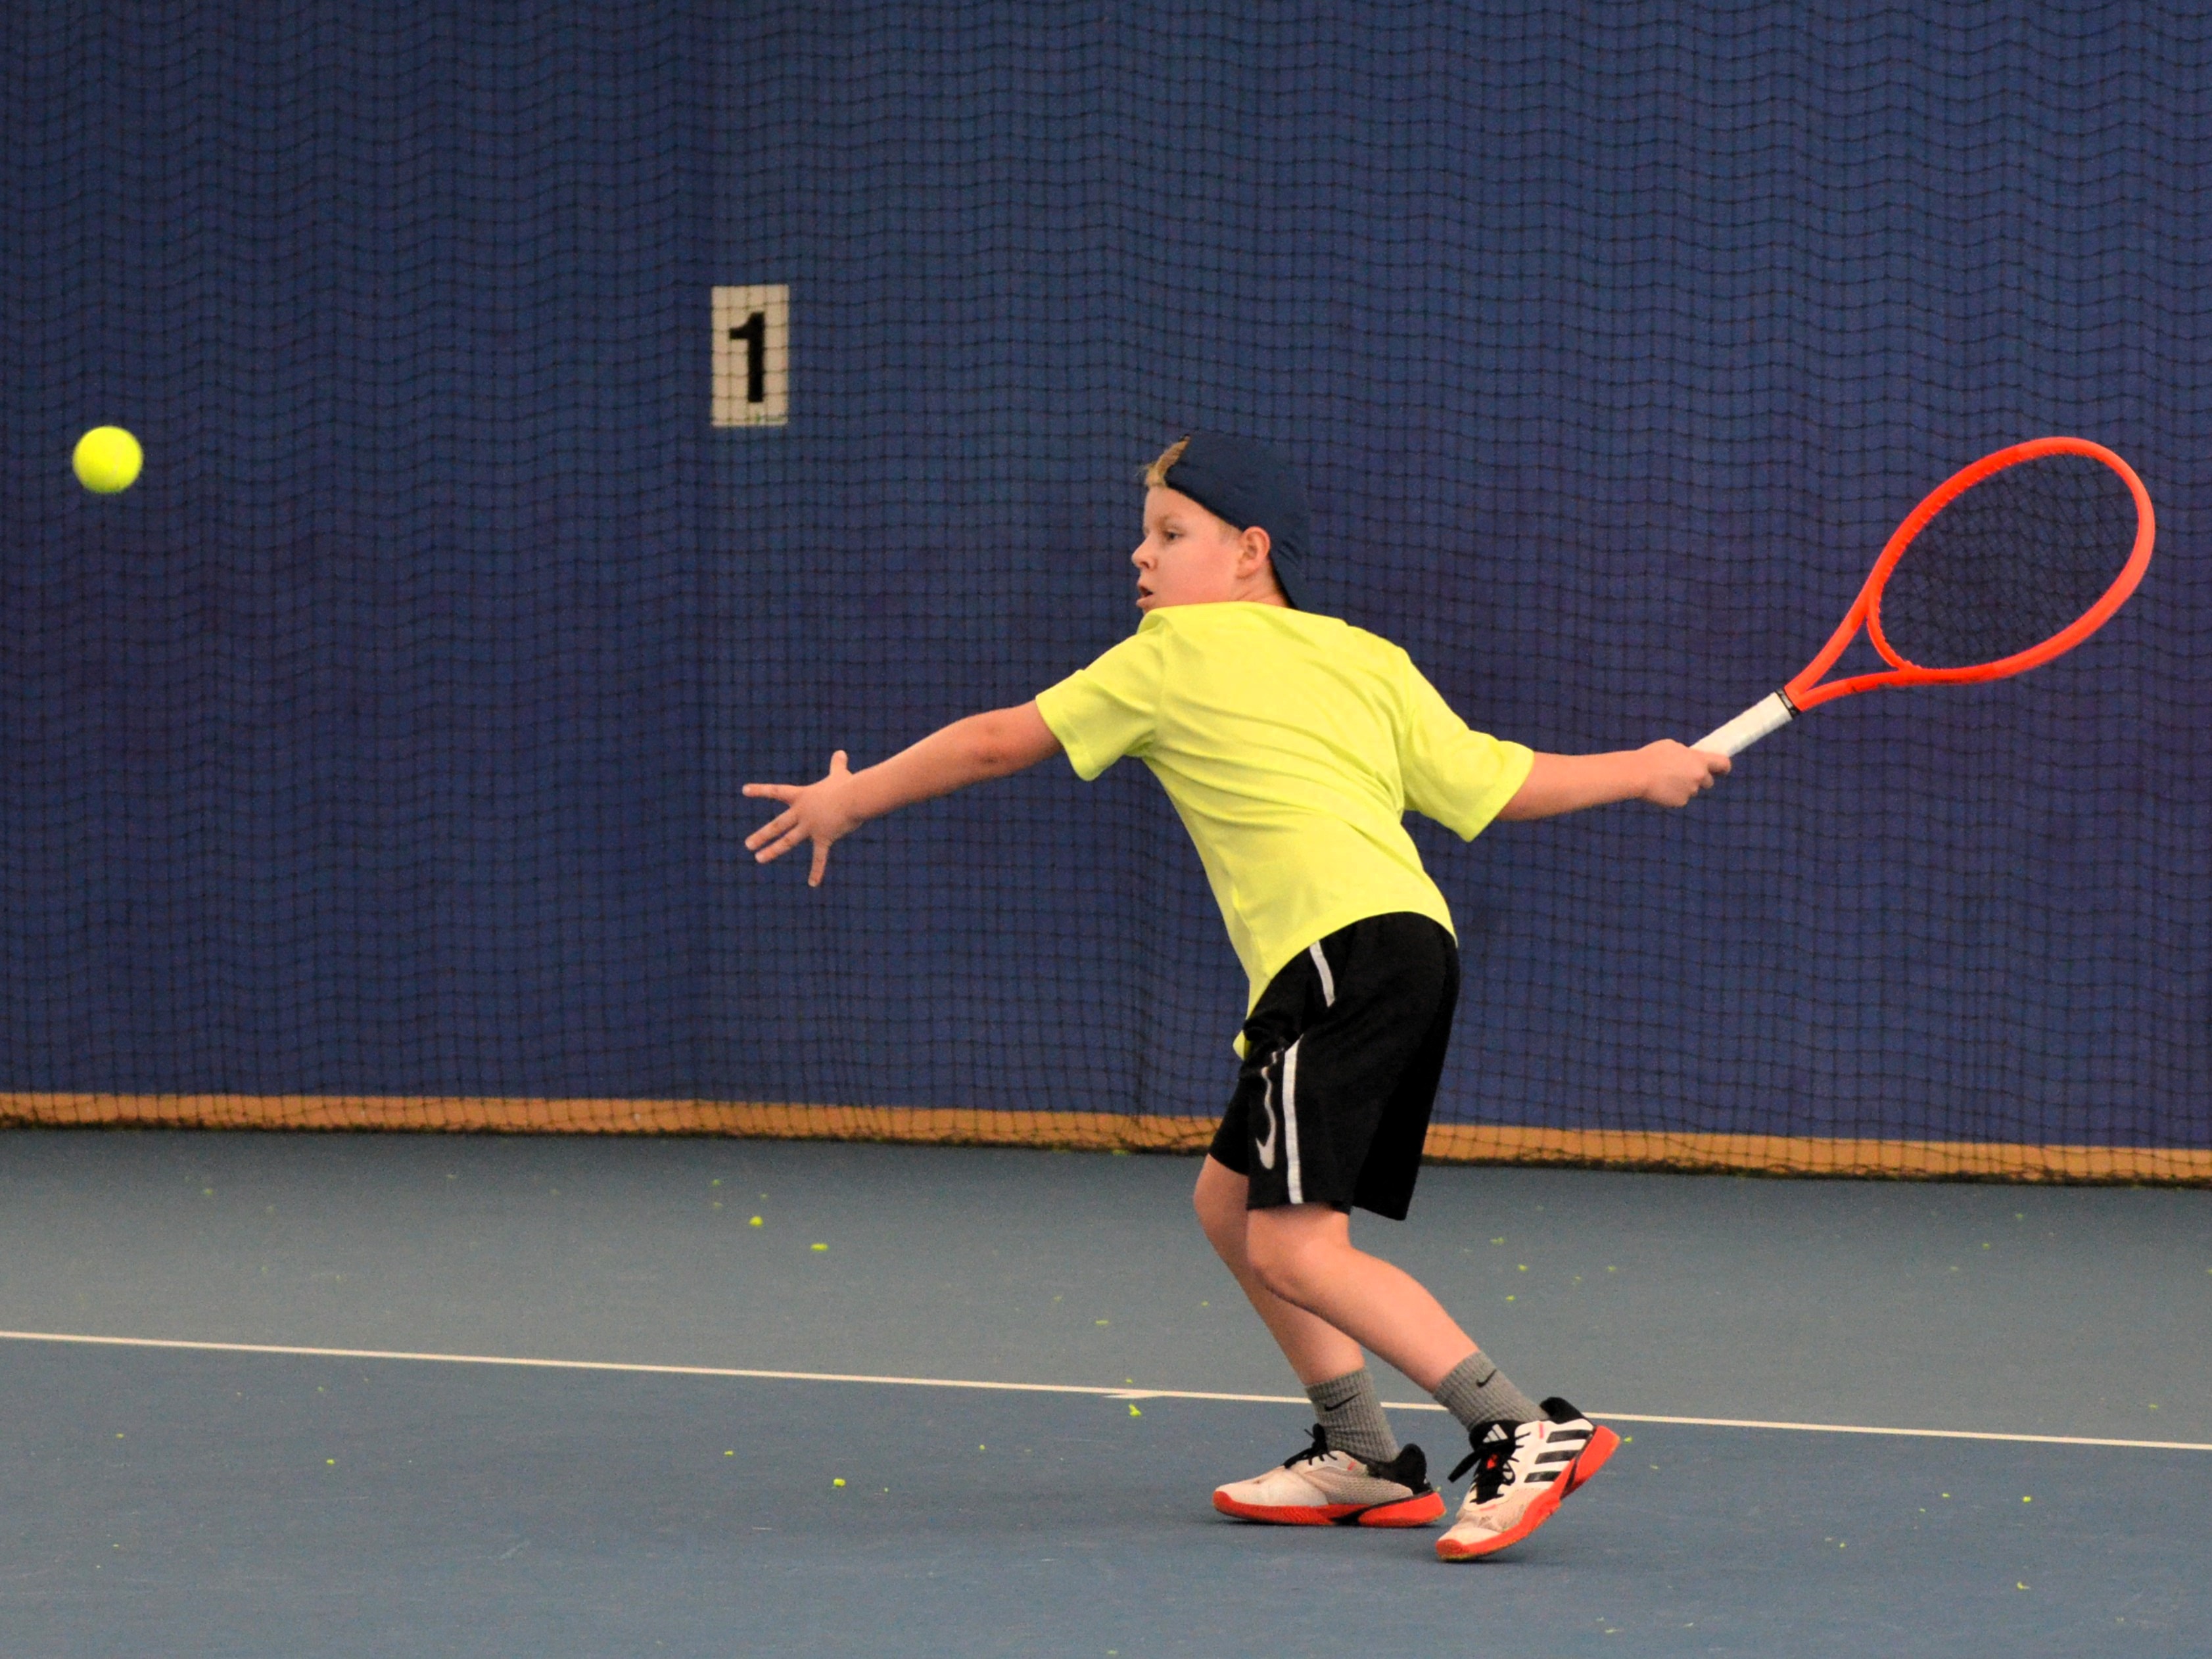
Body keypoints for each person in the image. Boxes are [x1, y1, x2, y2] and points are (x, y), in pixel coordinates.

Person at [743, 432, 1728, 1561]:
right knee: (1231, 1206)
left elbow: (991, 743)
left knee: (1296, 1249)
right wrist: (1643, 767)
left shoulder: (1168, 653)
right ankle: (1360, 1453)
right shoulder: (1366, 657)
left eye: (1170, 533)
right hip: (1398, 947)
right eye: (1145, 534)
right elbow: (1493, 782)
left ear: (1250, 551)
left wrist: (850, 799)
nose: (1141, 556)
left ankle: (1517, 1428)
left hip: (1337, 956)